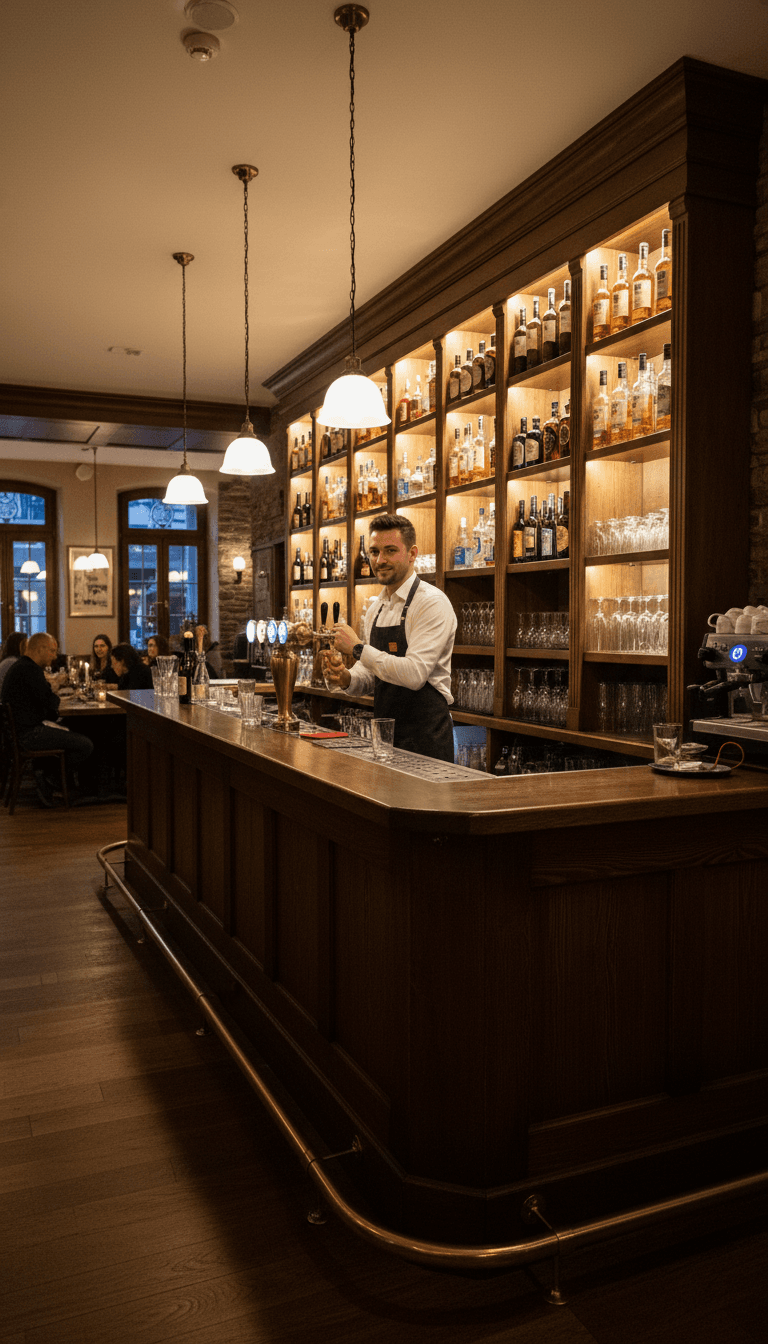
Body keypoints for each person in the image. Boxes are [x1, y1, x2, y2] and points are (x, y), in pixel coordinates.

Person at [329, 514, 457, 762]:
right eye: (374, 552)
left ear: (412, 554)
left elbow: (415, 674)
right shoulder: (376, 608)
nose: (380, 560)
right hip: (385, 741)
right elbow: (372, 675)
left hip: (426, 742)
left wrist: (357, 648)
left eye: (390, 551)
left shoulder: (431, 603)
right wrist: (345, 677)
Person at [1, 630, 93, 806]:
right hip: (29, 734)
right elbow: (51, 704)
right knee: (85, 744)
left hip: (20, 733)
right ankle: (50, 778)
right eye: (52, 651)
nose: (55, 656)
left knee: (70, 728)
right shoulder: (30, 670)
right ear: (39, 649)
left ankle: (48, 775)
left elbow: (47, 703)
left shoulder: (21, 667)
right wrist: (54, 700)